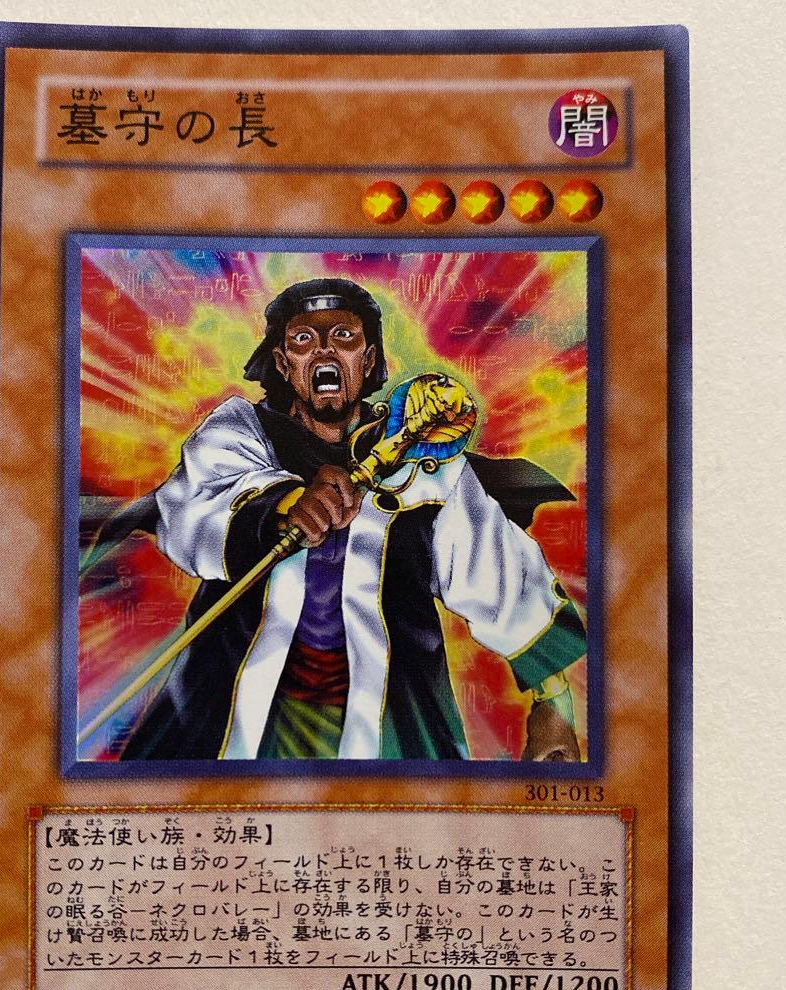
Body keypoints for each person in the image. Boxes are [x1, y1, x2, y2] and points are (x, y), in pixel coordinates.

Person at [115, 278, 585, 761]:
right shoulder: (238, 434)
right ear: (283, 363)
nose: (324, 351)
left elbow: (500, 578)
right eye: (303, 340)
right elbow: (192, 508)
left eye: (344, 336)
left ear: (368, 357)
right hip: (234, 705)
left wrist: (554, 707)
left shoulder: (423, 464)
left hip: (390, 717)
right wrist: (285, 504)